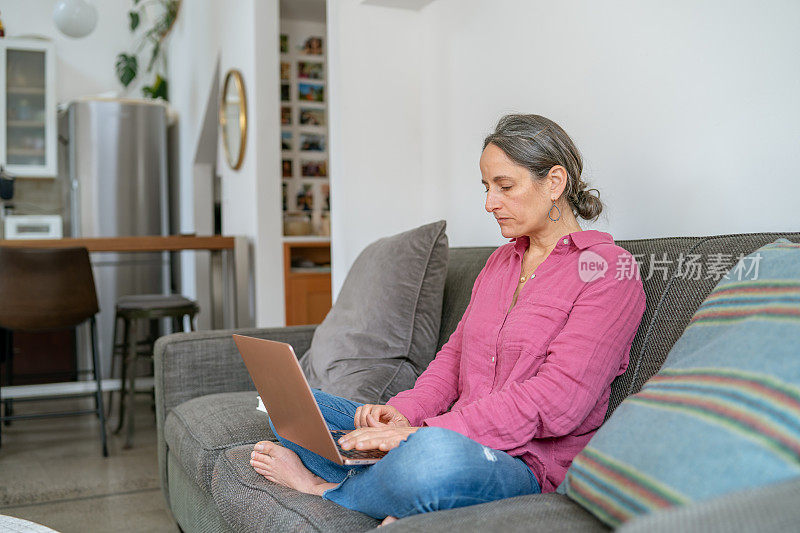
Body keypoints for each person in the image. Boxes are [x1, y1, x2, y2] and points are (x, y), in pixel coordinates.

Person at [250, 114, 646, 525]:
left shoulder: (607, 270)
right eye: (487, 187)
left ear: (554, 183)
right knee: (293, 405)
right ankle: (393, 485)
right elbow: (454, 358)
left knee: (433, 461)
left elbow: (558, 402)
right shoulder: (500, 263)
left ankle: (326, 489)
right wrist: (402, 415)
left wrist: (421, 435)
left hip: (520, 464)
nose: (490, 202)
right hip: (444, 434)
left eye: (505, 186)